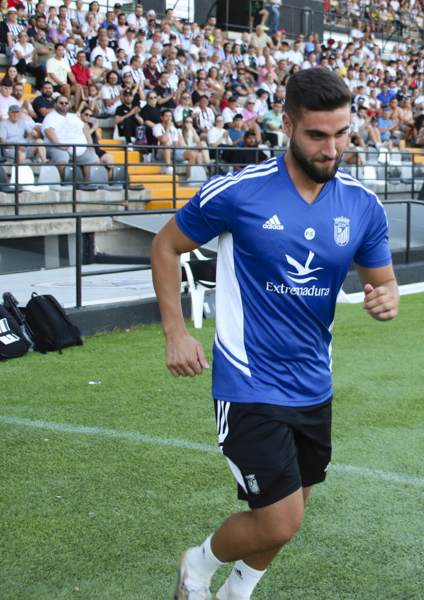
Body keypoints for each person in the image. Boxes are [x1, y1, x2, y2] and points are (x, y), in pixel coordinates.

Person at [152, 67, 398, 600]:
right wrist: (176, 331)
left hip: (315, 384)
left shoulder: (361, 206)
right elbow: (165, 246)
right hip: (247, 382)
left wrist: (387, 299)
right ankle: (195, 568)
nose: (331, 148)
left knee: (292, 510)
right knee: (280, 520)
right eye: (317, 135)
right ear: (287, 125)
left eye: (342, 133)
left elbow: (384, 284)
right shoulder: (240, 192)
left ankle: (236, 593)